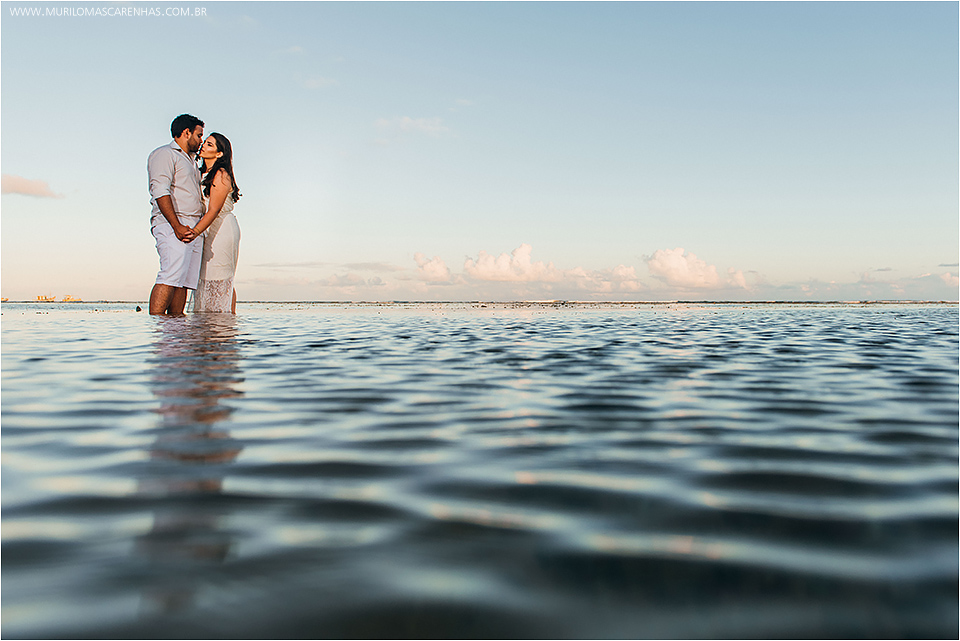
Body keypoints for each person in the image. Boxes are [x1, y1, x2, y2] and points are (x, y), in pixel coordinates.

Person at [147, 114, 205, 315]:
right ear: (186, 132)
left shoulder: (191, 161)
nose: (201, 141)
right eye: (198, 135)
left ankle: (177, 332)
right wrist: (176, 226)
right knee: (170, 276)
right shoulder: (165, 154)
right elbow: (160, 190)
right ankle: (157, 328)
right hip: (173, 223)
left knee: (184, 282)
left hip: (194, 227)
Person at [190, 133, 242, 313]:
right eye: (205, 142)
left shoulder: (220, 174)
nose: (203, 145)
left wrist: (193, 232)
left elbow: (214, 210)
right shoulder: (200, 172)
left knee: (220, 277)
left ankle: (224, 324)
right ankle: (207, 328)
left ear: (219, 154)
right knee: (205, 276)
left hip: (221, 229)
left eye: (210, 145)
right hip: (206, 228)